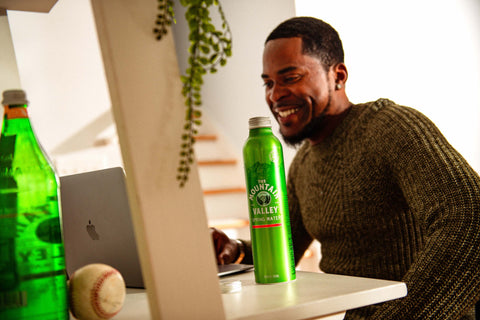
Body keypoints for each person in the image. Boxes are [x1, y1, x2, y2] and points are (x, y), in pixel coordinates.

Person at [211, 16, 480, 319]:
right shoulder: (302, 165)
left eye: (290, 77)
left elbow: (471, 215)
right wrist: (236, 249)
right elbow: (286, 248)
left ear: (337, 75)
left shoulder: (391, 127)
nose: (275, 95)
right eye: (269, 83)